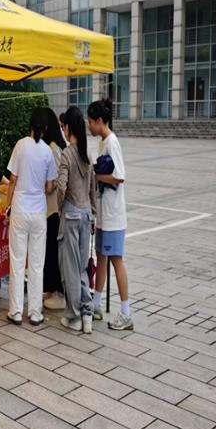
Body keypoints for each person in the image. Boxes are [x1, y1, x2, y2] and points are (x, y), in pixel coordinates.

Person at [5, 108, 57, 326]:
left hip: (19, 209)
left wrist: (7, 206)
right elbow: (50, 186)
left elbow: (12, 179)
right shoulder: (47, 152)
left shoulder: (20, 145)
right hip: (38, 213)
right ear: (44, 129)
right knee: (36, 264)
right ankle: (35, 312)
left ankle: (16, 311)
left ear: (30, 126)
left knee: (17, 262)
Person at [88, 98, 132, 331]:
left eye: (90, 121)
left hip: (114, 216)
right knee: (101, 258)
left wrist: (97, 177)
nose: (88, 126)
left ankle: (126, 312)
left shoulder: (112, 143)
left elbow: (120, 176)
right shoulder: (102, 142)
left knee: (116, 260)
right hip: (104, 215)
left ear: (99, 121)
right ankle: (96, 304)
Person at [56, 107, 97, 333]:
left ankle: (73, 316)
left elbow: (61, 186)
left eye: (63, 126)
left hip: (70, 215)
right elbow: (93, 189)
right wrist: (93, 214)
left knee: (70, 268)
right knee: (81, 267)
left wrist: (60, 207)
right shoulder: (86, 154)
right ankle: (87, 314)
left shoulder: (67, 154)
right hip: (86, 214)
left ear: (68, 128)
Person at [42, 109, 67, 311]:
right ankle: (51, 289)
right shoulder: (55, 146)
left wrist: (46, 186)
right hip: (52, 208)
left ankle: (58, 292)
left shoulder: (52, 148)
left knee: (52, 252)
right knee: (50, 251)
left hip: (53, 208)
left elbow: (56, 180)